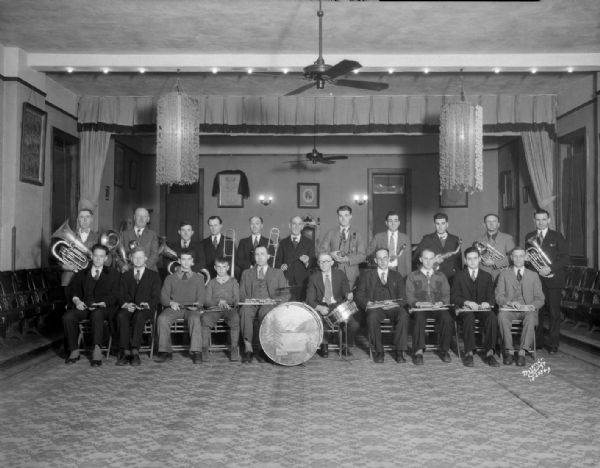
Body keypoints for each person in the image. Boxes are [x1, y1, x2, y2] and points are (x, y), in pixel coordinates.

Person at [62, 244, 120, 367]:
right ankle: (74, 350)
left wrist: (102, 303)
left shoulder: (113, 274)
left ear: (105, 258)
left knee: (97, 314)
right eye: (96, 256)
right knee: (68, 317)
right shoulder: (81, 273)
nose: (98, 259)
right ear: (91, 256)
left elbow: (116, 294)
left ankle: (97, 351)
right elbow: (73, 290)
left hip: (104, 309)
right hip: (85, 307)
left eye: (101, 256)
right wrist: (77, 301)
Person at [525, 209, 569, 354]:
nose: (541, 222)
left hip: (553, 279)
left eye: (543, 219)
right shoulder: (529, 237)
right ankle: (538, 342)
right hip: (536, 280)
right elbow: (530, 259)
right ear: (534, 220)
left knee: (554, 313)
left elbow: (565, 258)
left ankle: (553, 344)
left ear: (549, 220)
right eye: (538, 220)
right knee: (537, 311)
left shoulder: (557, 236)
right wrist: (529, 262)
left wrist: (549, 268)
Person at [356, 248, 409, 364]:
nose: (382, 261)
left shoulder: (397, 275)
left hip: (393, 306)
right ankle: (379, 351)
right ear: (375, 260)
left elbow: (404, 298)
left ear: (389, 259)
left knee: (403, 315)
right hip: (375, 307)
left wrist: (394, 303)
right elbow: (359, 296)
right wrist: (368, 303)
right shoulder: (366, 275)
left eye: (385, 258)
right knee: (372, 317)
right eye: (379, 258)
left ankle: (399, 351)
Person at [239, 246, 290, 363]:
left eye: (262, 254)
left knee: (266, 313)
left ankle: (264, 349)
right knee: (245, 311)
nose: (259, 257)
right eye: (257, 254)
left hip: (269, 303)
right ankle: (248, 348)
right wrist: (247, 300)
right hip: (251, 303)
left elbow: (285, 294)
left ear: (268, 256)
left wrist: (275, 302)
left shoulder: (277, 273)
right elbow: (241, 293)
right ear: (254, 257)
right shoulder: (246, 273)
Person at [495, 246, 545, 366]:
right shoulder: (504, 275)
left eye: (521, 256)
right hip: (509, 309)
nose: (518, 259)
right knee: (502, 316)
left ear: (526, 258)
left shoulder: (533, 275)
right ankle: (509, 351)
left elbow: (540, 299)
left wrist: (531, 306)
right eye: (515, 256)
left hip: (527, 310)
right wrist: (509, 303)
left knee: (532, 317)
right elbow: (498, 296)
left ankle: (522, 353)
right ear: (511, 258)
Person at [451, 246, 499, 367]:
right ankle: (469, 353)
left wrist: (488, 303)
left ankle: (489, 353)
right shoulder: (459, 276)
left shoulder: (487, 276)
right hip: (466, 309)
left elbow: (492, 296)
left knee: (492, 318)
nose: (472, 261)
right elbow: (454, 297)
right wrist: (466, 302)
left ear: (479, 259)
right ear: (465, 261)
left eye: (475, 258)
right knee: (469, 318)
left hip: (482, 309)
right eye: (469, 259)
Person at [155, 251, 206, 364]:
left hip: (191, 309)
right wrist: (171, 303)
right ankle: (165, 351)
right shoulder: (170, 278)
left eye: (188, 259)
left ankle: (197, 351)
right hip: (174, 308)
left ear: (192, 262)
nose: (186, 262)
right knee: (162, 319)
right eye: (183, 259)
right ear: (178, 261)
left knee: (195, 319)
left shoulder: (199, 278)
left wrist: (197, 304)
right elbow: (163, 297)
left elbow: (202, 298)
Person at [115, 246, 161, 366]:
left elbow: (156, 296)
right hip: (129, 307)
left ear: (145, 258)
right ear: (130, 258)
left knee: (140, 316)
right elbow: (120, 294)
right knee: (121, 315)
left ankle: (135, 350)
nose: (138, 260)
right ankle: (125, 351)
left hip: (145, 308)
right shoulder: (125, 275)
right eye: (135, 257)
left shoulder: (154, 275)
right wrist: (125, 304)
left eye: (141, 257)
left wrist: (148, 304)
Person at [405, 248, 452, 365]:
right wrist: (418, 303)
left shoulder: (441, 276)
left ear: (435, 260)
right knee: (419, 318)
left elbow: (447, 294)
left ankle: (445, 350)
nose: (428, 261)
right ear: (421, 259)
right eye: (425, 258)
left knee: (447, 318)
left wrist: (441, 302)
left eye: (431, 258)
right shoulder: (412, 276)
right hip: (420, 308)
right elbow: (408, 295)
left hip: (437, 308)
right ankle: (418, 352)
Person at [306, 252, 358, 357]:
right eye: (320, 262)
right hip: (321, 305)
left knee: (353, 325)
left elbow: (346, 291)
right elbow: (309, 299)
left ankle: (344, 344)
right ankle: (324, 345)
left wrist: (349, 295)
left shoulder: (340, 274)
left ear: (332, 262)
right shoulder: (313, 277)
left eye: (326, 262)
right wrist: (320, 308)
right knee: (320, 321)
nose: (323, 264)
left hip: (337, 305)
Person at [202, 257, 240, 362]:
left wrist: (226, 301)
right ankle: (204, 349)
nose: (221, 269)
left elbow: (237, 299)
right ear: (214, 268)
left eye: (223, 267)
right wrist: (218, 301)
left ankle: (234, 349)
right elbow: (206, 302)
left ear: (228, 267)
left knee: (235, 319)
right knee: (205, 319)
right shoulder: (211, 283)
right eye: (218, 267)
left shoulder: (233, 282)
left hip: (229, 309)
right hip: (214, 309)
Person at [318, 205, 366, 289]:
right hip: (333, 272)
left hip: (352, 276)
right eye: (340, 216)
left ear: (351, 216)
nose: (343, 218)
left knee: (350, 299)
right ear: (338, 217)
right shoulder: (331, 233)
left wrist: (348, 259)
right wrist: (331, 254)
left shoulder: (357, 234)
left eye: (346, 215)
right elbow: (321, 251)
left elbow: (362, 256)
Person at [59, 200, 100, 287]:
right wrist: (64, 266)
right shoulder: (69, 235)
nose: (85, 220)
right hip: (69, 278)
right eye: (81, 217)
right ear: (78, 220)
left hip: (89, 279)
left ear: (92, 219)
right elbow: (59, 255)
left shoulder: (98, 238)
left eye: (87, 217)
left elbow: (103, 261)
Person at [275, 215, 315, 301]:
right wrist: (280, 266)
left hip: (304, 283)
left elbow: (314, 263)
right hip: (286, 283)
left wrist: (307, 262)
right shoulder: (283, 243)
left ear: (302, 226)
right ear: (289, 225)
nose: (296, 226)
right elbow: (277, 262)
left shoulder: (309, 243)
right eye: (294, 224)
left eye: (299, 224)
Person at [414, 213, 461, 282]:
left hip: (452, 278)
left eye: (443, 223)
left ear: (447, 224)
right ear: (434, 225)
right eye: (437, 224)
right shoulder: (427, 239)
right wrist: (433, 260)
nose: (440, 226)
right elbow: (415, 257)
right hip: (432, 278)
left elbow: (459, 262)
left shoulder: (455, 239)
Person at [367, 211, 412, 278]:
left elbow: (408, 259)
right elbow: (368, 252)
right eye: (390, 221)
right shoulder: (378, 237)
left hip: (400, 272)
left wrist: (409, 276)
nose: (393, 223)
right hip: (382, 271)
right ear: (386, 223)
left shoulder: (405, 238)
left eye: (395, 221)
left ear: (399, 223)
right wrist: (379, 260)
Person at [117, 207, 159, 272]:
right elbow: (117, 254)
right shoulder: (124, 234)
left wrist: (145, 266)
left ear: (148, 219)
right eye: (139, 216)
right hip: (128, 271)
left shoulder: (153, 235)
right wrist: (122, 265)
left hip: (148, 271)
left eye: (144, 216)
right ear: (134, 217)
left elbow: (155, 255)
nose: (141, 219)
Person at [475, 213, 515, 280]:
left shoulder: (508, 238)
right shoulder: (478, 240)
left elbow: (513, 257)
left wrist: (494, 263)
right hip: (483, 275)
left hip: (502, 275)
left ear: (498, 224)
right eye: (488, 221)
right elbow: (474, 257)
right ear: (484, 225)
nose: (491, 223)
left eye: (494, 221)